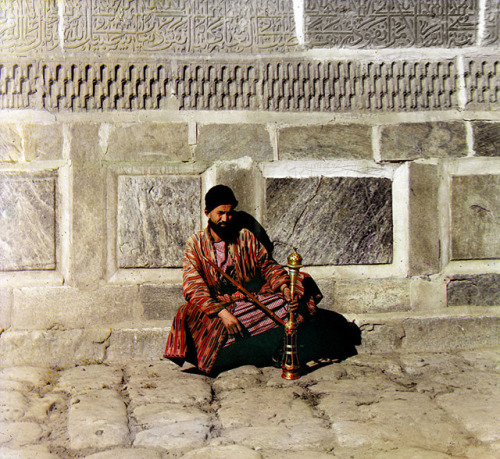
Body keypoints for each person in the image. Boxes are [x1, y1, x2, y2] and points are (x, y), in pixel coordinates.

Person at [163, 185, 322, 375]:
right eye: (220, 213)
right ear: (207, 213)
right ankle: (221, 351)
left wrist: (285, 289)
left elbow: (267, 266)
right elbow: (193, 287)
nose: (225, 219)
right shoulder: (195, 244)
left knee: (298, 289)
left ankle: (276, 348)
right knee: (194, 316)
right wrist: (223, 313)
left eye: (229, 213)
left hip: (249, 302)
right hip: (217, 307)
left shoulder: (245, 237)